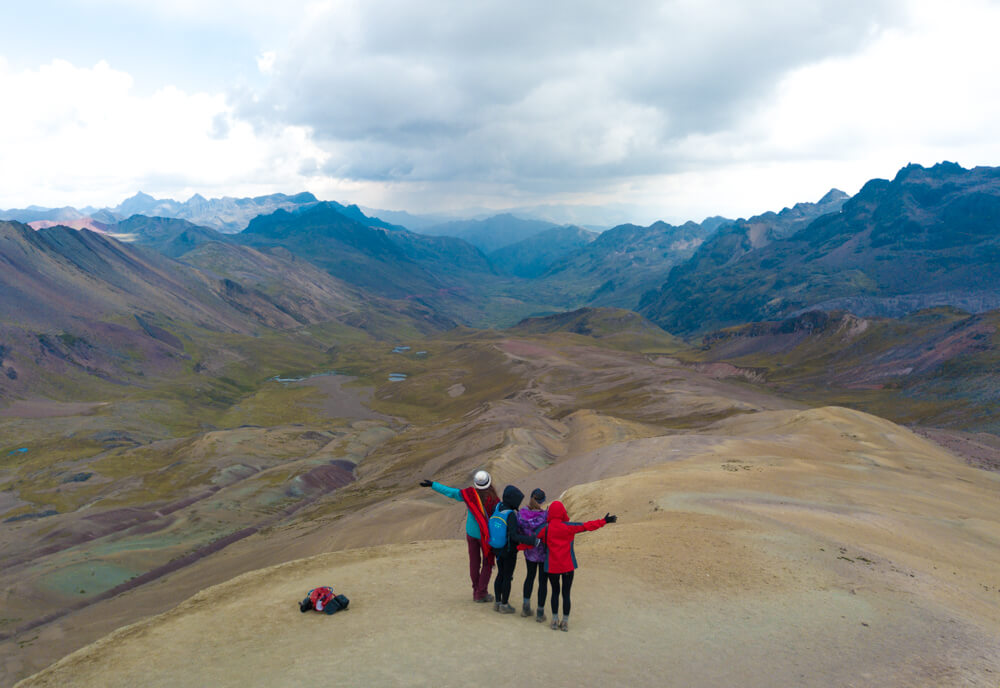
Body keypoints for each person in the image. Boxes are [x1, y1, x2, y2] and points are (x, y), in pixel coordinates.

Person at [536, 500, 617, 631]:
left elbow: (531, 540)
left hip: (552, 566)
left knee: (555, 593)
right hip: (568, 566)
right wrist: (604, 521)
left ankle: (555, 620)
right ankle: (565, 622)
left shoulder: (545, 528)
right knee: (566, 593)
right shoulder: (569, 526)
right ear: (562, 512)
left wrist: (517, 545)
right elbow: (587, 526)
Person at [420, 470, 500, 602]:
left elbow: (451, 492)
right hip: (485, 535)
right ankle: (481, 593)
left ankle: (476, 591)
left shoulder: (469, 494)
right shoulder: (494, 499)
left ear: (476, 483)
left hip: (471, 532)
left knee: (474, 562)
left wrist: (433, 485)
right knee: (487, 562)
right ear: (489, 482)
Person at [489, 485, 540, 614]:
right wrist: (532, 541)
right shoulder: (510, 514)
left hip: (497, 548)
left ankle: (498, 603)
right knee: (507, 577)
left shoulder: (498, 507)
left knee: (500, 574)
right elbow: (514, 535)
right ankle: (505, 605)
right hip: (508, 550)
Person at [516, 488, 549, 622]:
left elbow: (518, 531)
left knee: (529, 577)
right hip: (543, 553)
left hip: (529, 552)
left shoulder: (521, 514)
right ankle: (540, 613)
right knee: (543, 582)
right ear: (542, 501)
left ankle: (525, 608)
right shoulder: (545, 515)